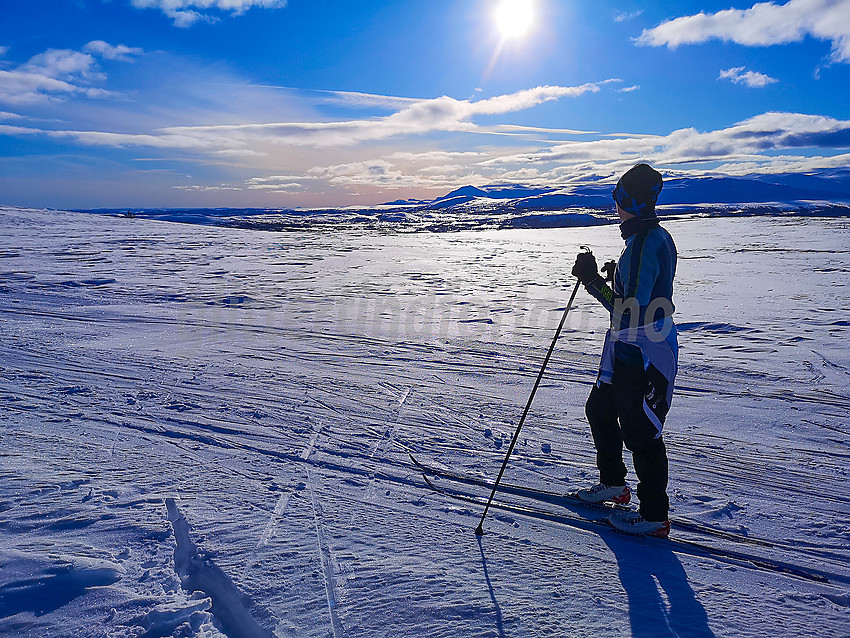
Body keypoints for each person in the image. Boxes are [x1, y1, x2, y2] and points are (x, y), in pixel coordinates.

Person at [570, 163, 678, 537]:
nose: (615, 205)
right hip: (631, 345)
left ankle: (653, 515)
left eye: (617, 198)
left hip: (642, 349)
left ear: (627, 202)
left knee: (641, 432)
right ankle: (615, 484)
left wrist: (592, 280)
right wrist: (617, 275)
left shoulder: (643, 244)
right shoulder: (652, 237)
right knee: (600, 409)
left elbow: (628, 311)